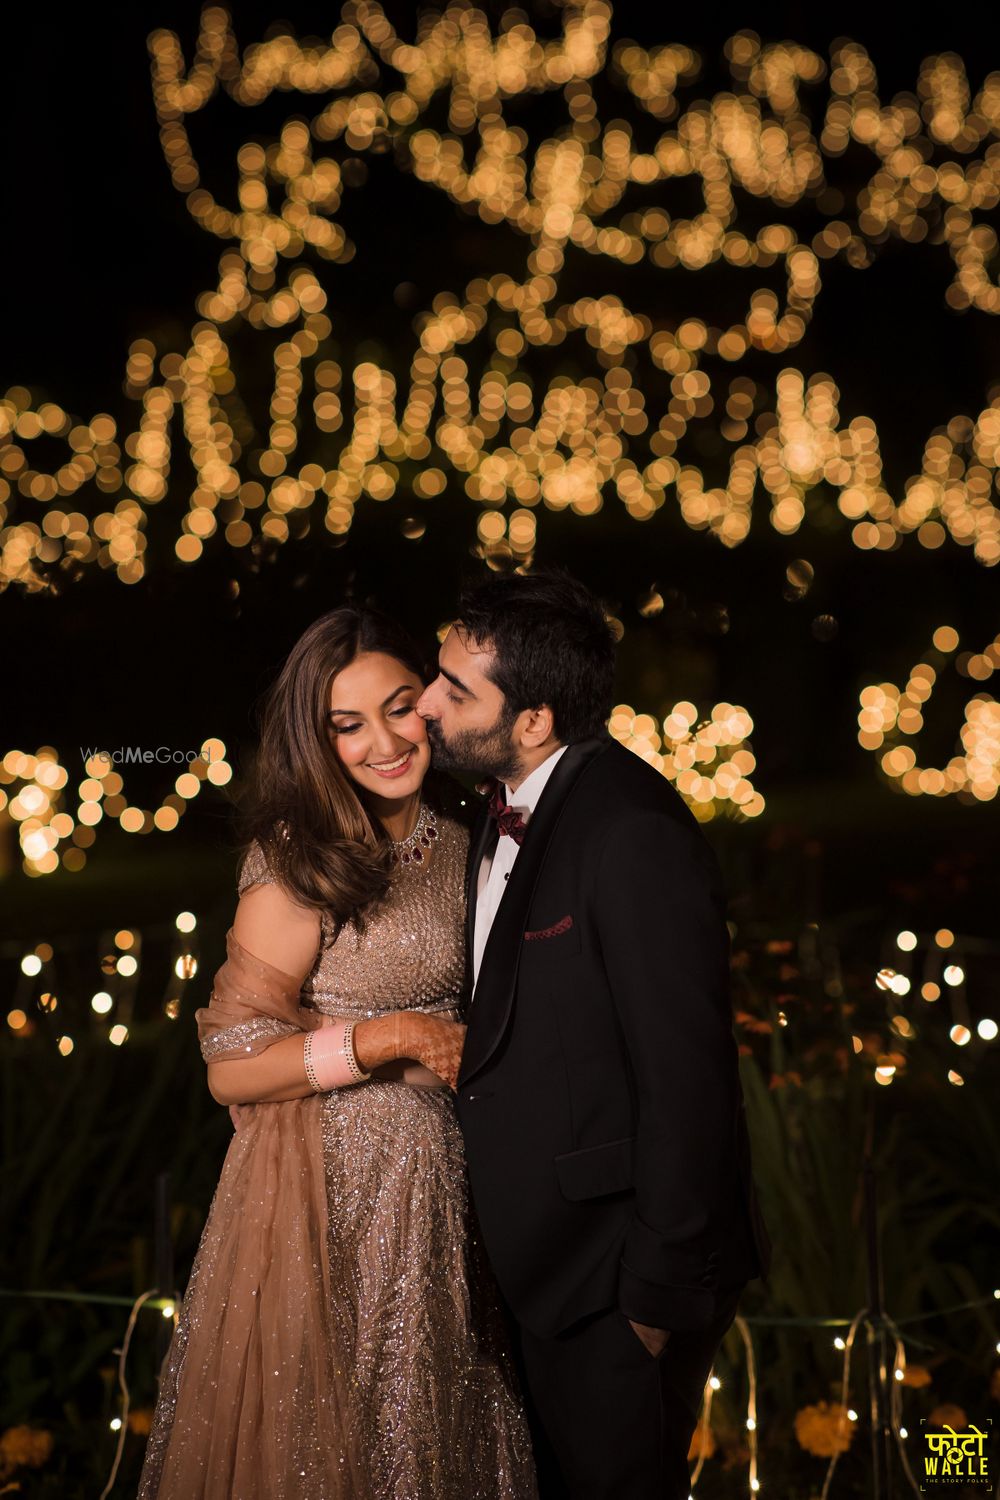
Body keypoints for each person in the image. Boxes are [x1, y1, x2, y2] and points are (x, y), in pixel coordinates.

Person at [138, 606, 538, 1500]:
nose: (384, 743)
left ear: (433, 702)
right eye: (345, 726)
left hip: (440, 1195)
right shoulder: (297, 862)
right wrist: (387, 1038)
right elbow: (232, 1065)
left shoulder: (462, 845)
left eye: (400, 708)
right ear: (315, 742)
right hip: (325, 1203)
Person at [416, 568, 773, 1500]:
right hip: (544, 1273)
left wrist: (650, 1306)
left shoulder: (631, 831)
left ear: (532, 721)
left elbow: (689, 1081)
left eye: (456, 690)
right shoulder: (498, 809)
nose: (425, 703)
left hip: (614, 1283)